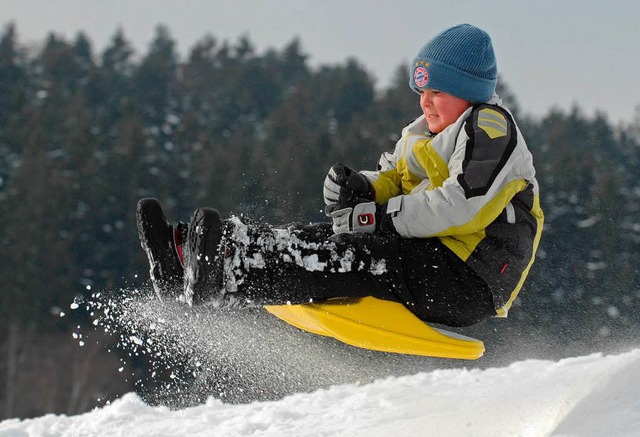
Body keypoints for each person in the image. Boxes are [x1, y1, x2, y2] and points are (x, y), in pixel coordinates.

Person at [137, 24, 544, 328]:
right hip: (431, 251)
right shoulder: (421, 133)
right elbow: (395, 179)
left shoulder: (490, 128)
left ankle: (227, 272)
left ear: (470, 90)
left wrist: (380, 217)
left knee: (356, 255)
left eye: (438, 92)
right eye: (422, 92)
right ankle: (196, 258)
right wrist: (363, 188)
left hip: (471, 276)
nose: (426, 101)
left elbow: (462, 205)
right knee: (328, 238)